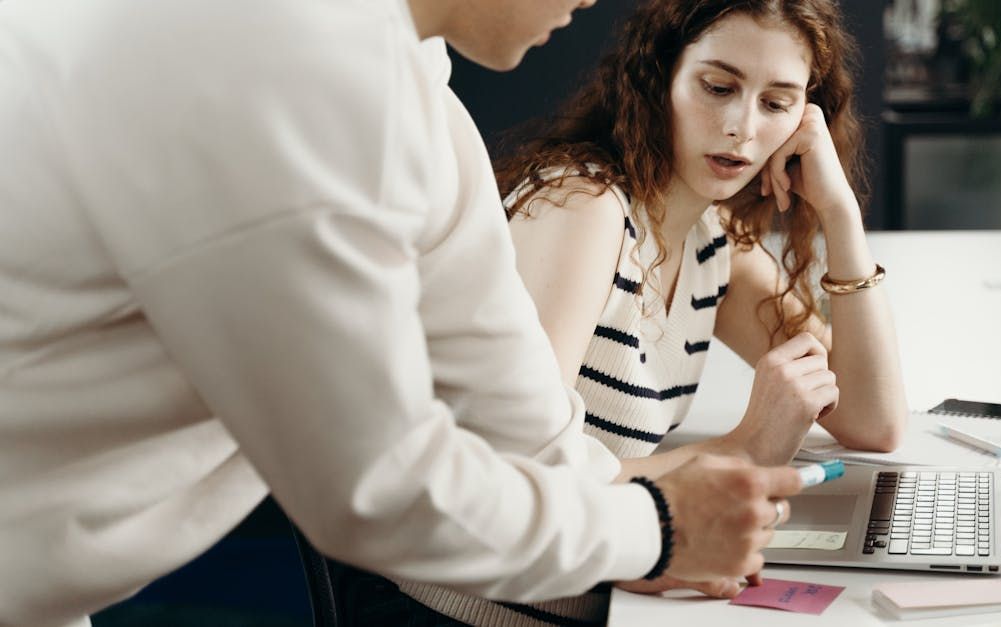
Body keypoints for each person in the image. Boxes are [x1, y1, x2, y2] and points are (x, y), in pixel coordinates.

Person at [0, 1, 811, 625]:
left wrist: (674, 516)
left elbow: (526, 425)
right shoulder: (281, 60)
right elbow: (377, 488)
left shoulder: (413, 95)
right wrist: (655, 528)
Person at [383, 0, 909, 622]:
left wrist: (840, 214)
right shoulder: (582, 205)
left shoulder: (714, 244)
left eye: (776, 103)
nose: (742, 126)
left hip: (602, 594)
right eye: (718, 87)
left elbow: (872, 421)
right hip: (481, 613)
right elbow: (520, 475)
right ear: (661, 79)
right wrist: (743, 447)